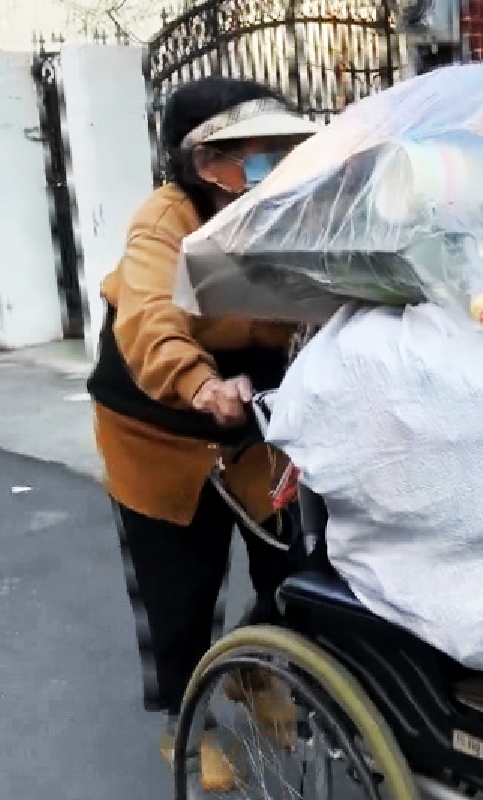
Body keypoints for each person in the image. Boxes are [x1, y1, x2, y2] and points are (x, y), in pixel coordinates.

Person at [86, 77, 320, 791]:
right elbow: (151, 317)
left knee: (293, 563)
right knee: (179, 588)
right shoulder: (166, 219)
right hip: (158, 421)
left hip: (251, 415)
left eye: (273, 149)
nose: (263, 165)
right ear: (196, 161)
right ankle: (185, 730)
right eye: (243, 153)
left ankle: (254, 673)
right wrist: (199, 384)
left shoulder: (283, 210)